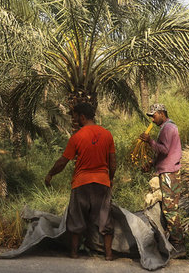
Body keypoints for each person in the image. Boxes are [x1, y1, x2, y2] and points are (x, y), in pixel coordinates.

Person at [44, 103, 116, 260]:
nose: (74, 119)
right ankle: (109, 255)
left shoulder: (77, 137)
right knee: (105, 220)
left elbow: (63, 162)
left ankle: (74, 253)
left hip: (81, 183)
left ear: (82, 117)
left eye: (75, 116)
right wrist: (110, 179)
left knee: (76, 218)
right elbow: (113, 162)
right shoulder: (107, 134)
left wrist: (50, 174)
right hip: (102, 183)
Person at [139, 103, 185, 256]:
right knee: (168, 207)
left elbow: (164, 150)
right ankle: (172, 241)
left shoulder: (167, 128)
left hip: (169, 173)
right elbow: (166, 152)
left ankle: (178, 246)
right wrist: (152, 163)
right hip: (168, 171)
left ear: (161, 113)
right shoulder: (168, 128)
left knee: (170, 209)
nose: (152, 119)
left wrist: (150, 141)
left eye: (154, 115)